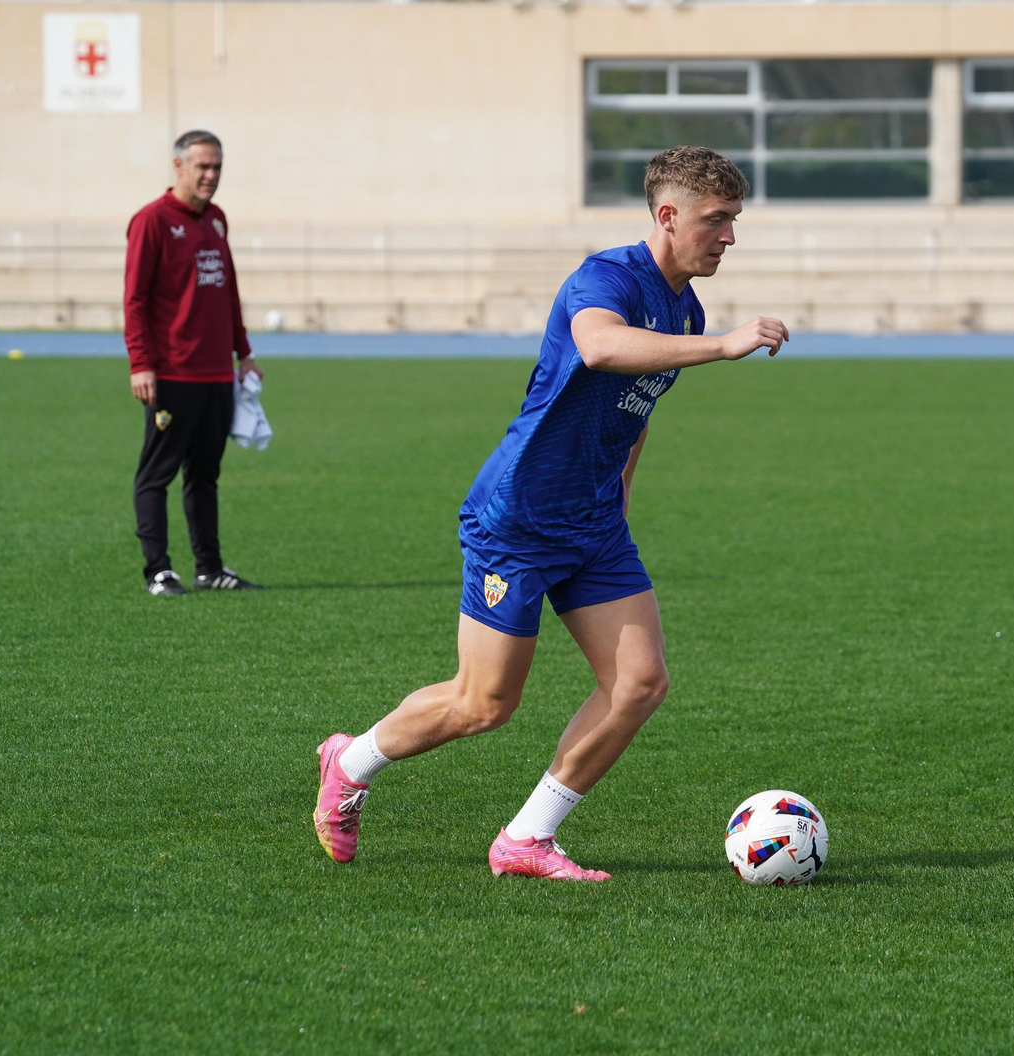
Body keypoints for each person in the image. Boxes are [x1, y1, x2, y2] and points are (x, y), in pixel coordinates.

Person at [312, 146, 788, 880]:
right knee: (484, 704)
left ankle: (526, 839)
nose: (729, 236)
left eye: (734, 220)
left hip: (595, 526)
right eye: (716, 219)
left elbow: (635, 408)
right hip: (521, 517)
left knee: (640, 683)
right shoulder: (606, 278)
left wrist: (621, 493)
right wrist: (723, 345)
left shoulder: (684, 306)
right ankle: (350, 763)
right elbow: (599, 348)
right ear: (668, 215)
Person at [125, 130, 264, 597]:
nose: (210, 175)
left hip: (217, 374)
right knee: (156, 474)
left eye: (217, 167)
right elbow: (135, 300)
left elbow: (228, 292)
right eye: (202, 166)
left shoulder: (217, 220)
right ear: (178, 166)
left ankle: (210, 568)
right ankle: (158, 571)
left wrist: (244, 353)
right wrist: (141, 363)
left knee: (205, 477)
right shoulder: (152, 221)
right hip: (172, 373)